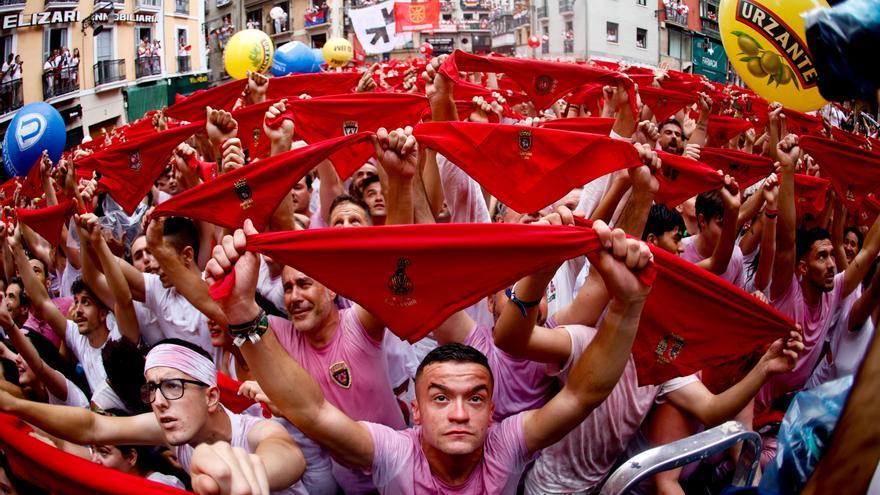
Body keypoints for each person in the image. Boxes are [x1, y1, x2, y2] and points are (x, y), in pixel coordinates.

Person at [207, 213, 656, 493]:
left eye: (475, 398)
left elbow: (582, 396)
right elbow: (312, 410)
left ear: (493, 408)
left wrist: (629, 305)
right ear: (415, 411)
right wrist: (242, 310)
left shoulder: (507, 444)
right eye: (441, 397)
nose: (459, 413)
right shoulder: (394, 453)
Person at [0, 339, 306, 494]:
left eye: (172, 386)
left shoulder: (257, 432)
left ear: (211, 396)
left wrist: (238, 476)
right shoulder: (173, 427)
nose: (158, 401)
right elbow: (94, 426)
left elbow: (288, 456)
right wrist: (15, 407)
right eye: (152, 389)